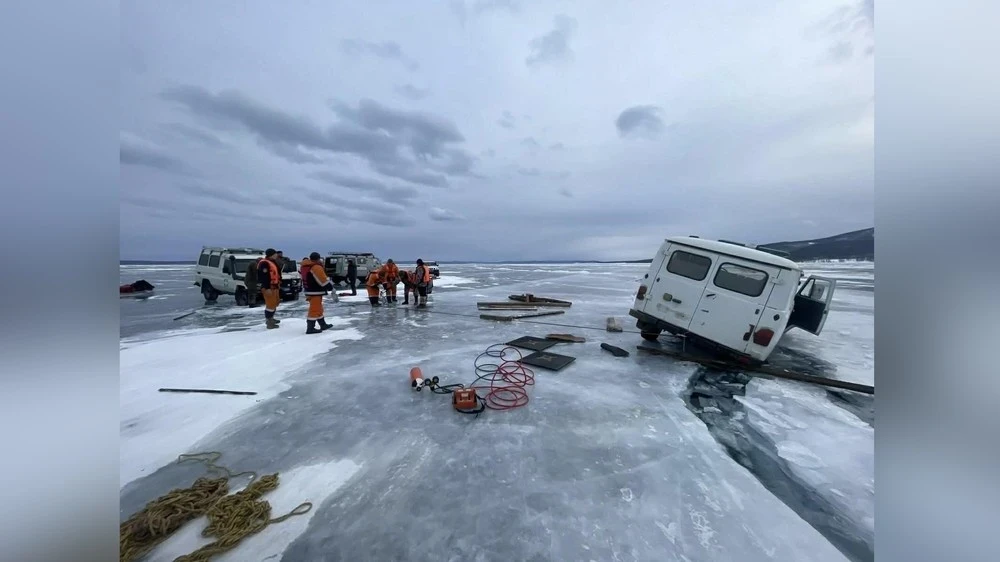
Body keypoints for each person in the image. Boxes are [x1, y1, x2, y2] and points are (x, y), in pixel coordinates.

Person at [302, 252, 335, 334]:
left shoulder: (305, 266)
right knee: (314, 309)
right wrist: (330, 287)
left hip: (309, 290)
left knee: (319, 309)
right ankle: (310, 328)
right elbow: (322, 280)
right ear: (318, 258)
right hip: (315, 291)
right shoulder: (316, 267)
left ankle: (323, 324)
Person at [257, 248, 283, 329]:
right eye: (275, 254)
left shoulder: (272, 261)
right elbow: (264, 276)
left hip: (275, 286)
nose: (276, 255)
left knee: (275, 303)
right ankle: (269, 321)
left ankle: (271, 318)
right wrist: (266, 287)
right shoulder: (264, 263)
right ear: (271, 254)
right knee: (270, 304)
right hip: (269, 287)